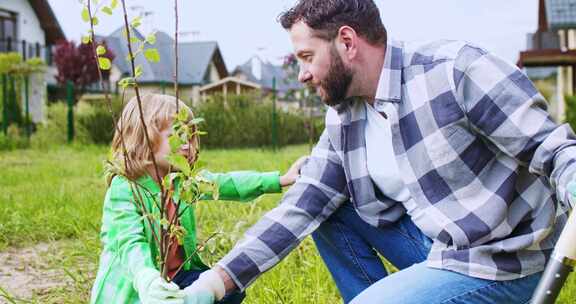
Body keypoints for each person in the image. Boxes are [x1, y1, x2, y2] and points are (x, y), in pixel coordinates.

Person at [181, 0, 576, 303]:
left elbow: (555, 148)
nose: (301, 73)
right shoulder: (344, 116)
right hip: (436, 243)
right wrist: (210, 286)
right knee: (328, 206)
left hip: (501, 260)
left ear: (347, 42)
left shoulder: (455, 71)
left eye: (306, 57)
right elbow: (297, 209)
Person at [89, 94, 307, 304]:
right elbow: (128, 242)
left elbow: (226, 183)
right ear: (142, 138)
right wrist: (147, 279)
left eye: (191, 137)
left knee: (229, 290)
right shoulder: (126, 187)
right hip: (136, 290)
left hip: (176, 279)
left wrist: (280, 180)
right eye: (177, 134)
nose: (188, 144)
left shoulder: (182, 181)